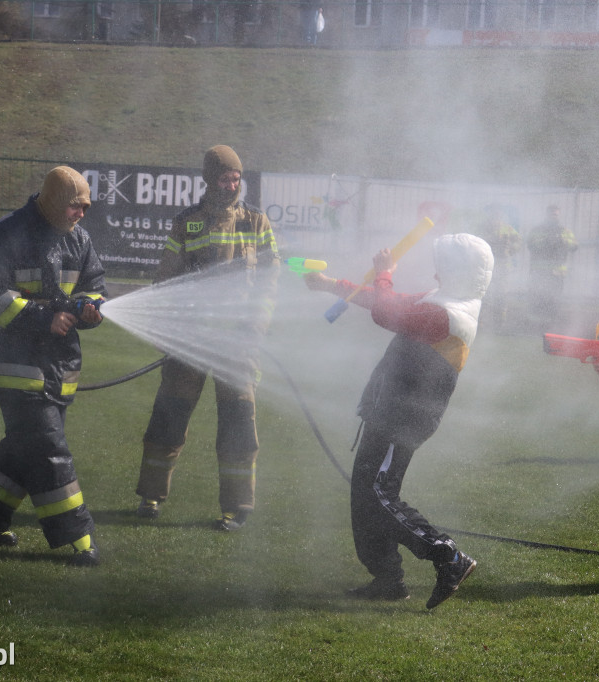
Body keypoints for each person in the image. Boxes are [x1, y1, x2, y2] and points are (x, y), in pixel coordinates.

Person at [304, 233, 494, 609]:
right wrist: (330, 285)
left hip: (403, 419)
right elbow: (384, 301)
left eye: (443, 265)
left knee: (378, 495)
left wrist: (385, 272)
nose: (435, 271)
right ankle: (387, 579)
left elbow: (387, 312)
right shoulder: (441, 299)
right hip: (387, 411)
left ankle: (448, 555)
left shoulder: (448, 313)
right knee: (366, 495)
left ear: (459, 271)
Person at [0, 166, 108, 567]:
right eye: (75, 206)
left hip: (58, 364)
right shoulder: (8, 233)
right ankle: (77, 537)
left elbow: (94, 286)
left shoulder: (80, 240)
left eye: (85, 207)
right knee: (48, 448)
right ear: (54, 201)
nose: (81, 214)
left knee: (22, 448)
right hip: (13, 363)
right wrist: (42, 319)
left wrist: (89, 308)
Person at [134, 145, 279, 531]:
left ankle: (237, 507)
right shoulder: (187, 223)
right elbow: (165, 280)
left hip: (237, 346)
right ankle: (151, 496)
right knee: (169, 416)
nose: (232, 185)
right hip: (191, 342)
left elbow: (270, 280)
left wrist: (256, 327)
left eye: (236, 178)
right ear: (210, 180)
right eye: (225, 178)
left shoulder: (256, 222)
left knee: (238, 424)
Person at [526, 205, 577, 331]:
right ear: (546, 214)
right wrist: (546, 242)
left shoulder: (564, 231)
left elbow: (574, 246)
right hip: (540, 272)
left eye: (556, 214)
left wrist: (562, 241)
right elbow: (530, 244)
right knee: (538, 299)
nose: (553, 217)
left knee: (554, 300)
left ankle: (552, 327)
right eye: (551, 214)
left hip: (557, 273)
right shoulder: (537, 230)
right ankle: (535, 327)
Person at [474, 204, 521, 332]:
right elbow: (476, 243)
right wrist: (492, 242)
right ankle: (480, 322)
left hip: (503, 268)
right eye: (493, 212)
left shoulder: (508, 229)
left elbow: (518, 243)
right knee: (483, 294)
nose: (496, 215)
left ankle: (499, 324)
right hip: (485, 266)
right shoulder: (481, 228)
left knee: (501, 295)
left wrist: (509, 249)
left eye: (498, 212)